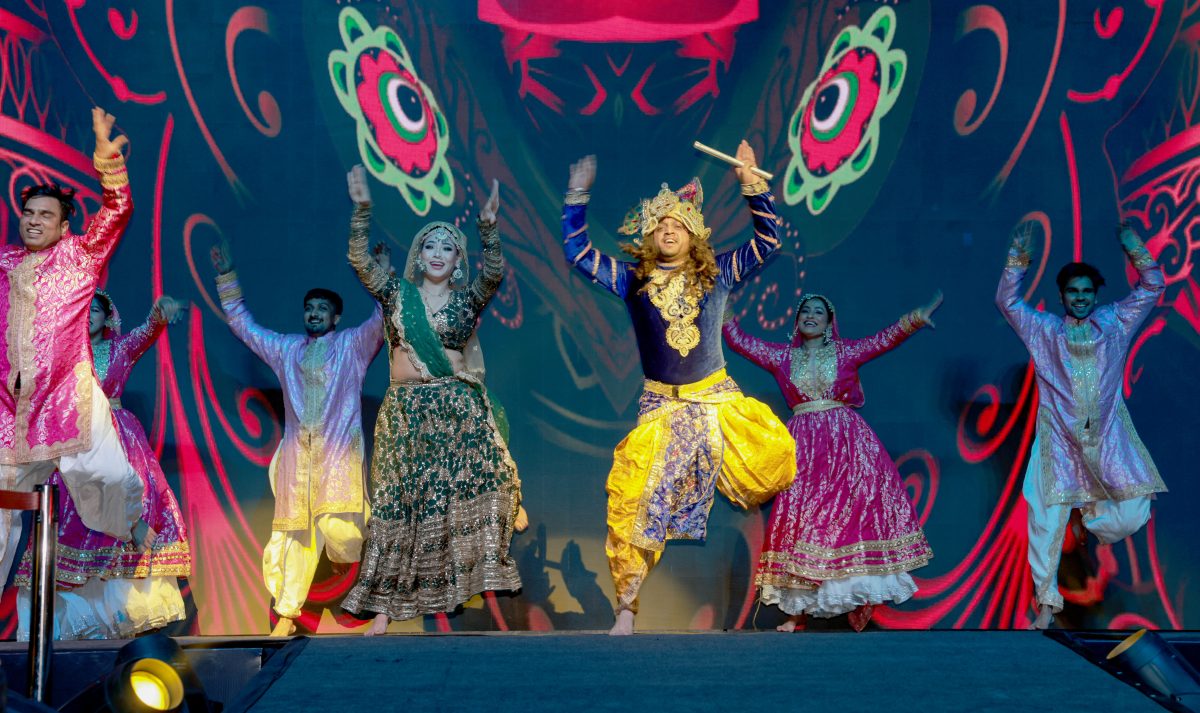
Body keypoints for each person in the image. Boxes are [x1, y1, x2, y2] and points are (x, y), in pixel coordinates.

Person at [561, 142, 797, 635]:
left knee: (775, 458)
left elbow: (768, 242)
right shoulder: (633, 280)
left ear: (695, 235)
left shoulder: (719, 274)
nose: (669, 230)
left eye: (679, 225)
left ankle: (801, 586)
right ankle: (626, 608)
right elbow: (579, 253)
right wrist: (577, 197)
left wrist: (751, 184)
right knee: (631, 501)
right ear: (651, 235)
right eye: (661, 225)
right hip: (661, 409)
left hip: (717, 403)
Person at [341, 165, 524, 636]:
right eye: (430, 245)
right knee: (396, 505)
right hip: (404, 415)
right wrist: (362, 210)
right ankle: (383, 608)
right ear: (418, 255)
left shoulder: (466, 302)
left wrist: (488, 227)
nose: (438, 253)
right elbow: (360, 260)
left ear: (458, 259)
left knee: (461, 497)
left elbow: (494, 274)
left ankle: (464, 581)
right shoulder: (396, 295)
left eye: (447, 247)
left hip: (455, 414)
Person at [724, 292, 939, 632]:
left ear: (828, 323)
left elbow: (882, 341)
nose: (811, 315)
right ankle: (796, 613)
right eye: (805, 311)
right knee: (802, 520)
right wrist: (724, 309)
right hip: (803, 447)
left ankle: (848, 599)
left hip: (846, 446)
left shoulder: (845, 352)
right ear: (797, 321)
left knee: (845, 520)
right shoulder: (782, 357)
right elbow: (741, 343)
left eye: (818, 312)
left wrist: (914, 319)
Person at [0, 107, 145, 586]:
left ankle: (132, 525)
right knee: (0, 520)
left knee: (109, 479)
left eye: (46, 215)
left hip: (67, 398)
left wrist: (108, 162)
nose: (34, 221)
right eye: (28, 213)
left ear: (64, 227)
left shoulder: (80, 256)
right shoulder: (3, 263)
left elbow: (117, 210)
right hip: (7, 410)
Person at [998, 221, 1167, 629]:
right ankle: (1046, 605)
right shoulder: (1044, 330)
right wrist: (1018, 258)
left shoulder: (1115, 322)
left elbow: (1154, 285)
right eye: (1073, 292)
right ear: (1061, 296)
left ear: (1096, 295)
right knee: (1044, 521)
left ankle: (1089, 517)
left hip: (1107, 438)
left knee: (1133, 514)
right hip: (1058, 439)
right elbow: (1007, 301)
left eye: (1086, 292)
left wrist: (1133, 246)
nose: (1080, 298)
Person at [212, 234, 384, 637]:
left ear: (336, 318)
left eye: (322, 308)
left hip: (338, 458)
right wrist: (226, 277)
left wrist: (380, 274)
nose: (314, 313)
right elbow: (244, 327)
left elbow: (381, 321)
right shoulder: (287, 350)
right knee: (293, 540)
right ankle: (287, 616)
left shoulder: (352, 346)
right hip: (297, 463)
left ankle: (363, 580)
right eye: (309, 308)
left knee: (343, 532)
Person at [14, 292, 191, 639]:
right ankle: (76, 621)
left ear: (108, 318)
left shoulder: (119, 349)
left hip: (118, 441)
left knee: (119, 506)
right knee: (74, 518)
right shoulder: (65, 355)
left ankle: (119, 616)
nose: (89, 315)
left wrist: (159, 313)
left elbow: (146, 332)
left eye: (96, 310)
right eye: (84, 310)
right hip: (75, 440)